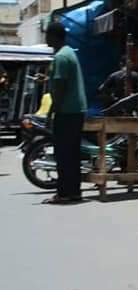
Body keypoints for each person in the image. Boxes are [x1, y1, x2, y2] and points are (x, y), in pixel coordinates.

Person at [43, 21, 87, 204]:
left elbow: (59, 89)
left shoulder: (60, 57)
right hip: (76, 110)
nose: (45, 37)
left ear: (53, 36)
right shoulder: (69, 52)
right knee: (72, 154)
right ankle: (75, 192)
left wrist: (50, 113)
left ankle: (63, 194)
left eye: (47, 34)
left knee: (63, 154)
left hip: (66, 112)